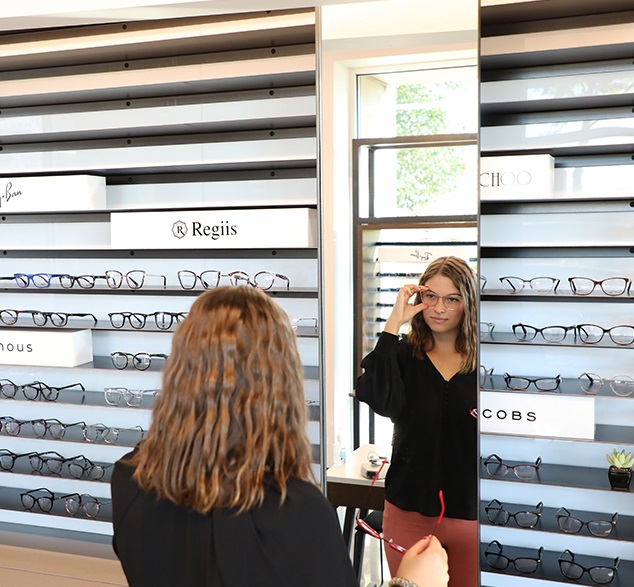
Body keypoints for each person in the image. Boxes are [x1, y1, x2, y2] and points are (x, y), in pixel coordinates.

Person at [111, 286, 449, 587]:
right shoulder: (294, 514)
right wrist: (411, 582)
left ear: (181, 369)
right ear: (280, 382)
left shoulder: (130, 478)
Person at [355, 256, 479, 587]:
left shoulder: (487, 362)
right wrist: (393, 323)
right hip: (407, 511)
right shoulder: (402, 356)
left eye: (452, 299)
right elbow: (378, 397)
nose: (439, 308)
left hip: (472, 515)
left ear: (468, 303)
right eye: (430, 297)